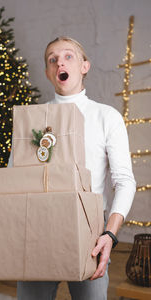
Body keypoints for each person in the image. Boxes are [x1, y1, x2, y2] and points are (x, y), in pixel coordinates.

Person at [8, 36, 136, 300]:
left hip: (91, 233)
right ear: (47, 73)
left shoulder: (106, 116)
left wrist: (109, 235)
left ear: (84, 66)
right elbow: (14, 179)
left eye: (68, 56)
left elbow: (124, 181)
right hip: (37, 230)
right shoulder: (31, 121)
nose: (59, 63)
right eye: (52, 60)